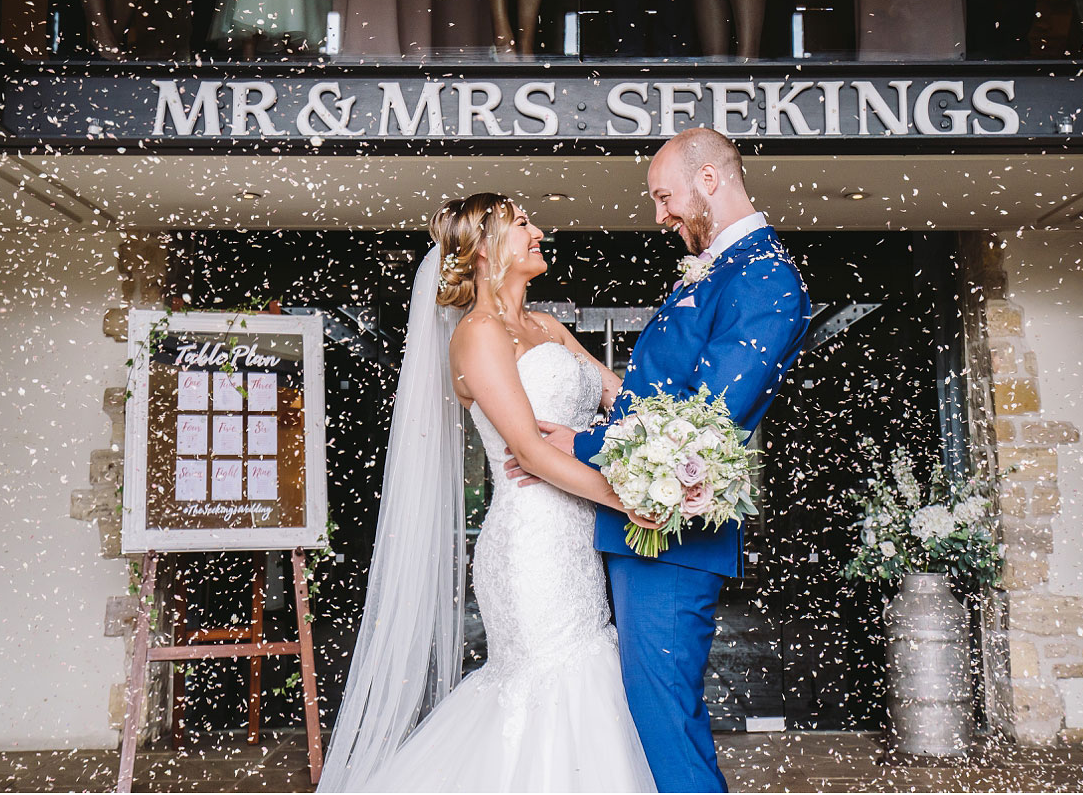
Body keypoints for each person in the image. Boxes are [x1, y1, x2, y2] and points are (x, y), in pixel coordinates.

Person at [317, 193, 658, 792]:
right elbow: (526, 451)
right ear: (483, 248)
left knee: (585, 679)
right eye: (523, 224)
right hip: (530, 543)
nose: (539, 231)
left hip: (577, 540)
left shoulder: (549, 326)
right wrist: (626, 499)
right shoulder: (476, 335)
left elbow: (624, 401)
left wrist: (654, 440)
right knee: (549, 683)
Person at [508, 127, 812, 791]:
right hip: (640, 527)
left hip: (670, 537)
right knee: (648, 713)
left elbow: (706, 421)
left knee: (664, 716)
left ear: (710, 180)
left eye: (664, 196)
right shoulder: (725, 267)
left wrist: (580, 445)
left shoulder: (766, 278)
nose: (660, 215)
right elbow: (661, 396)